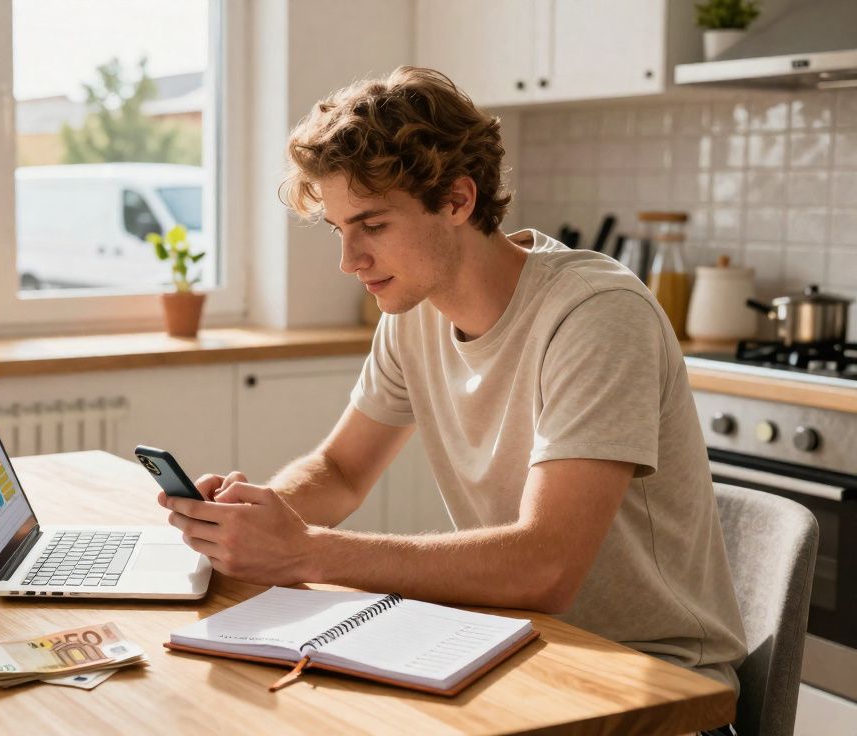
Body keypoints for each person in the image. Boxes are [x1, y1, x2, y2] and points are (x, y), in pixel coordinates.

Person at [158, 66, 748, 705]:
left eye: (373, 226)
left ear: (458, 201)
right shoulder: (417, 311)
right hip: (519, 655)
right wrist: (254, 515)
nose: (348, 260)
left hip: (657, 689)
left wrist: (305, 553)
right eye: (339, 229)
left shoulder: (595, 315)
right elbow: (340, 470)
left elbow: (544, 566)